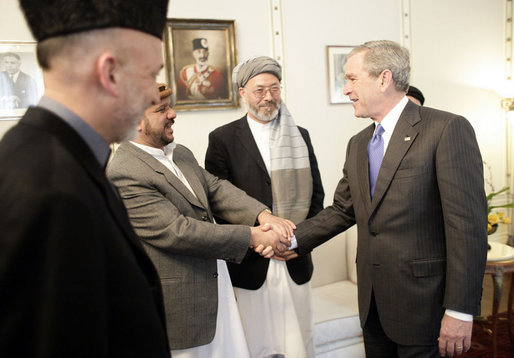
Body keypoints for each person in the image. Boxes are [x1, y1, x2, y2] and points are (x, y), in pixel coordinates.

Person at [292, 40, 488, 358]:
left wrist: (461, 311)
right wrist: (290, 240)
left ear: (384, 79)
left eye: (352, 79)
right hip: (373, 306)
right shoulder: (359, 143)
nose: (346, 90)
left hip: (424, 306)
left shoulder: (446, 129)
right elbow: (344, 210)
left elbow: (467, 228)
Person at [0, 1, 171, 357]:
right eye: (150, 74)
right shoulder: (53, 192)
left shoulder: (55, 156)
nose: (155, 94)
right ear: (110, 73)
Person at [107, 82, 294, 357]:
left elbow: (216, 188)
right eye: (162, 110)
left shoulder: (179, 153)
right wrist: (254, 236)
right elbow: (177, 231)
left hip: (217, 288)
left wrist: (263, 215)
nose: (173, 114)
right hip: (182, 303)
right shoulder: (124, 171)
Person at [205, 56, 325, 358]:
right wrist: (259, 239)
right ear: (242, 92)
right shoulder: (222, 139)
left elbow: (316, 197)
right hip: (251, 260)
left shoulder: (301, 135)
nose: (269, 97)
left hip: (294, 256)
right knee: (255, 343)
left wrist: (299, 240)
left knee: (299, 342)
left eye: (275, 88)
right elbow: (218, 202)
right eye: (260, 90)